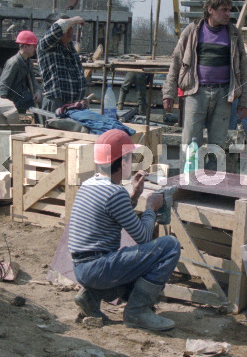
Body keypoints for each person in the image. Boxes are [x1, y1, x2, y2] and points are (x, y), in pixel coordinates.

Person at [68, 129, 181, 331]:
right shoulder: (115, 192)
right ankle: (137, 312)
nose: (131, 162)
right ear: (121, 162)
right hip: (97, 268)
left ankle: (90, 297)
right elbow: (144, 237)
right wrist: (150, 208)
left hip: (82, 267)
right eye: (129, 158)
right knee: (169, 246)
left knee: (130, 260)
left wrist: (134, 197)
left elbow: (112, 215)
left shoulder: (88, 185)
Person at [162, 0, 247, 169]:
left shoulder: (233, 34)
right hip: (196, 93)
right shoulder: (192, 31)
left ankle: (212, 185)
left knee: (217, 143)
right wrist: (168, 93)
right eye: (223, 10)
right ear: (210, 10)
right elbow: (176, 62)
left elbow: (243, 69)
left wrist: (245, 101)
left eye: (229, 10)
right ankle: (190, 180)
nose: (228, 14)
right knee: (191, 141)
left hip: (223, 94)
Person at [38, 16, 87, 113]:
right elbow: (57, 28)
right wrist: (74, 20)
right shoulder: (46, 46)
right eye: (67, 28)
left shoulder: (71, 49)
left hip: (74, 105)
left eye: (71, 28)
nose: (70, 32)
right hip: (55, 104)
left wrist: (82, 97)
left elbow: (78, 74)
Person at [0, 29, 41, 113]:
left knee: (40, 99)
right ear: (25, 46)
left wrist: (37, 91)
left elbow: (32, 80)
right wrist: (3, 107)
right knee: (34, 101)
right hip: (12, 100)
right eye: (33, 46)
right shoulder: (14, 63)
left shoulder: (28, 62)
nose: (35, 48)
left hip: (21, 96)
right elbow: (2, 87)